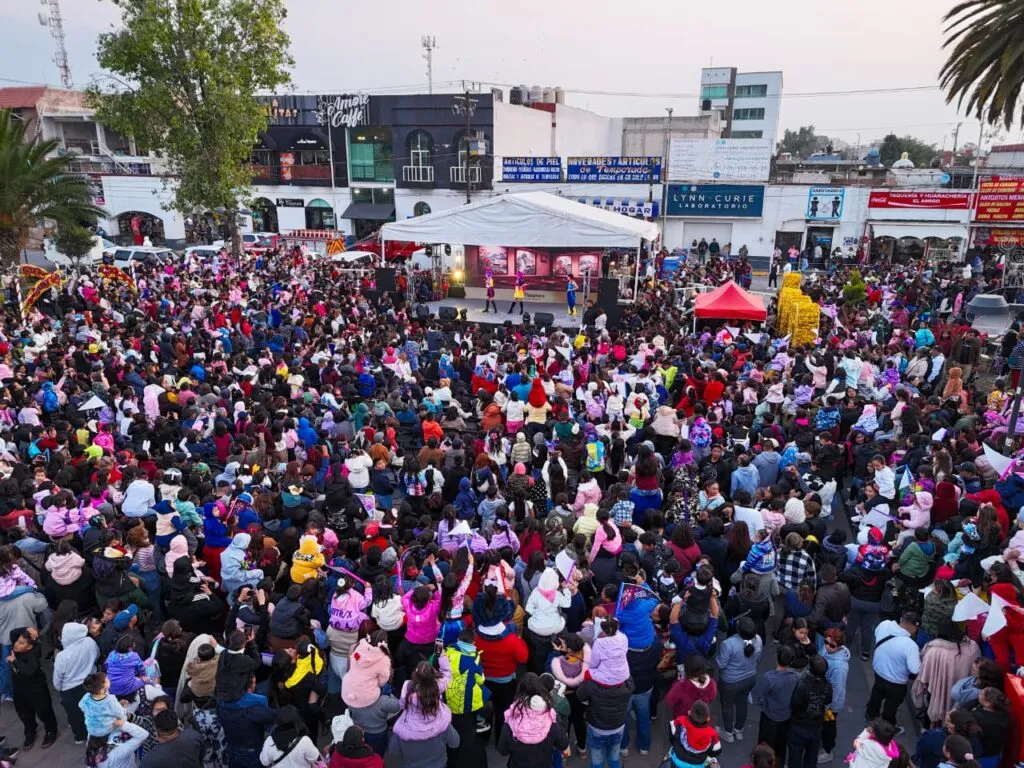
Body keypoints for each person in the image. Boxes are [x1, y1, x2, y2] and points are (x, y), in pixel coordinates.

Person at [866, 611, 921, 729]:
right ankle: (886, 726)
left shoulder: (885, 624)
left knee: (877, 693)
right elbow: (915, 669)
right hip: (896, 681)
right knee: (892, 704)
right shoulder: (911, 646)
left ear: (901, 619)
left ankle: (870, 715)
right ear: (914, 626)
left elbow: (876, 634)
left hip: (879, 671)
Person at [9, 625, 58, 749]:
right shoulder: (18, 649)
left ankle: (51, 731)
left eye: (21, 643)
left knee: (44, 711)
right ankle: (30, 731)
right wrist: (28, 629)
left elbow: (29, 670)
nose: (16, 644)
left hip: (36, 689)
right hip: (19, 688)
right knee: (23, 712)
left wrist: (14, 661)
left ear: (29, 646)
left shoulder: (33, 654)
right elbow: (13, 632)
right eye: (17, 641)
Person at [715, 616, 762, 743]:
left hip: (729, 681)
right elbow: (757, 659)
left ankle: (728, 733)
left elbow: (721, 664)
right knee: (742, 703)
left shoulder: (728, 644)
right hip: (749, 678)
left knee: (727, 706)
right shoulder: (758, 640)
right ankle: (739, 730)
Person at [54, 620, 100, 744]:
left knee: (75, 715)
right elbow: (96, 655)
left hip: (71, 689)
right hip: (91, 681)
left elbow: (57, 679)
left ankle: (81, 736)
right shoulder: (89, 642)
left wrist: (60, 688)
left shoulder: (62, 656)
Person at [787, 655, 832, 768]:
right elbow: (828, 700)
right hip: (816, 725)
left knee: (795, 755)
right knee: (812, 756)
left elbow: (795, 703)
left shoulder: (802, 684)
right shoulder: (827, 685)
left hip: (799, 724)